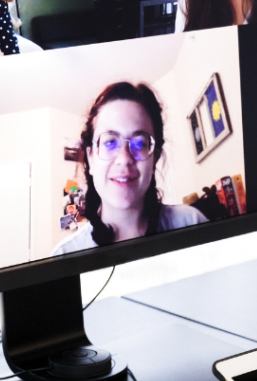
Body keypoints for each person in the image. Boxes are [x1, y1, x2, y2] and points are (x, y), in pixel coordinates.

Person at [53, 81, 207, 254]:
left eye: (139, 143)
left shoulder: (192, 224)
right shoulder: (65, 256)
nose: (124, 158)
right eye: (110, 142)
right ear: (90, 159)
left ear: (154, 157)